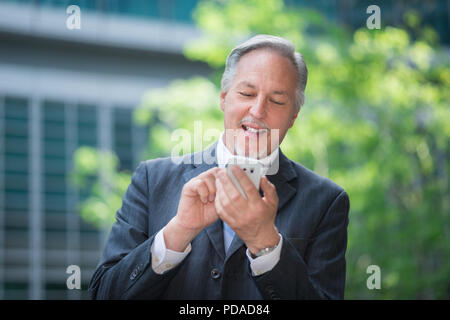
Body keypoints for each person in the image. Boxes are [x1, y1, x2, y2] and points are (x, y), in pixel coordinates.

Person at [88, 34, 350, 300]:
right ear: (224, 98)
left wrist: (267, 246)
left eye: (277, 101)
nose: (258, 111)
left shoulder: (326, 201)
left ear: (293, 116)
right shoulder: (152, 179)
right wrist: (178, 231)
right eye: (247, 93)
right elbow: (104, 294)